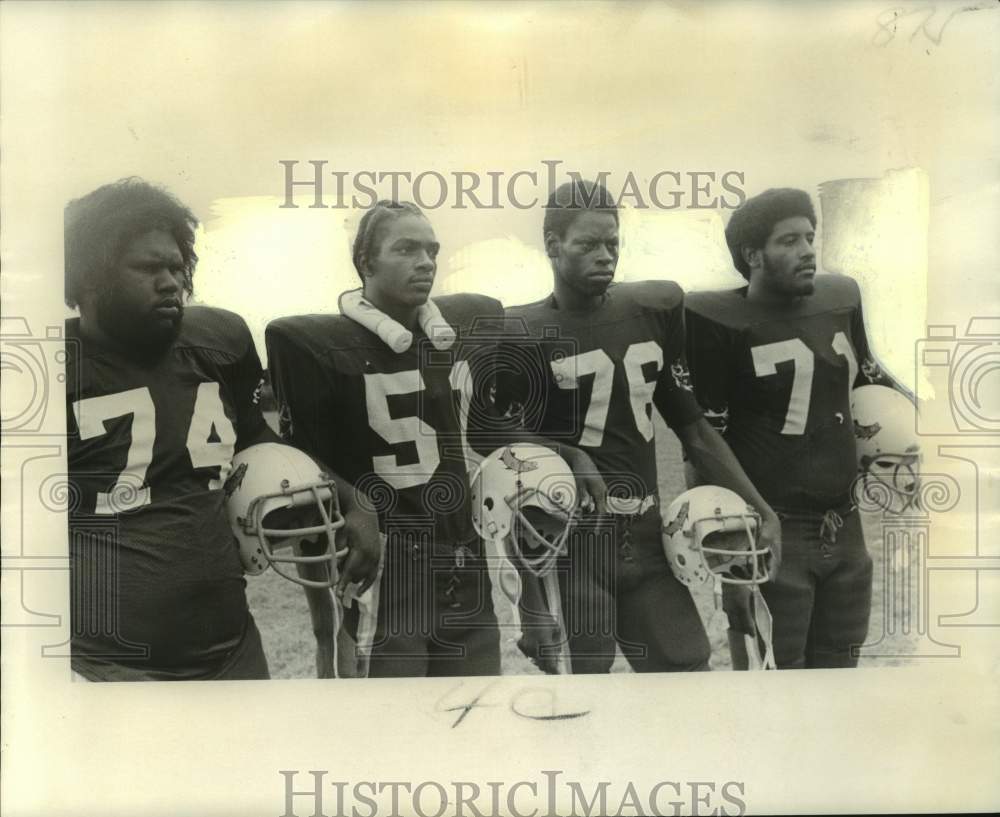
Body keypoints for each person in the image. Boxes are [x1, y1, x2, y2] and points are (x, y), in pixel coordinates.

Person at [64, 178, 379, 681]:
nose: (171, 281)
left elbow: (257, 440)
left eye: (176, 266)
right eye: (148, 267)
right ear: (86, 277)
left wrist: (352, 499)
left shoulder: (217, 341)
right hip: (107, 665)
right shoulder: (47, 369)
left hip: (232, 647)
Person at [494, 180, 782, 673]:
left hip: (645, 537)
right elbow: (496, 449)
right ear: (551, 246)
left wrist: (761, 508)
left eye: (613, 243)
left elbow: (692, 429)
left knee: (687, 670)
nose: (605, 256)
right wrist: (569, 455)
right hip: (571, 547)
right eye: (588, 244)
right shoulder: (520, 332)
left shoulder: (649, 315)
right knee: (582, 698)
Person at [266, 200, 506, 677]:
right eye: (406, 249)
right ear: (365, 262)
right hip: (387, 567)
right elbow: (296, 459)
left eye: (432, 250)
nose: (426, 262)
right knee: (389, 728)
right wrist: (356, 502)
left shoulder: (460, 331)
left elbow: (487, 425)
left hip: (463, 558)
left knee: (477, 715)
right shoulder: (316, 345)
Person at [684, 187, 902, 669]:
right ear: (752, 255)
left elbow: (868, 379)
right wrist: (730, 557)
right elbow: (702, 442)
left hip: (845, 527)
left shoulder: (841, 297)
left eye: (810, 236)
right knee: (773, 689)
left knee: (841, 679)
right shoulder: (715, 321)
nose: (807, 250)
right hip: (772, 530)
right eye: (789, 241)